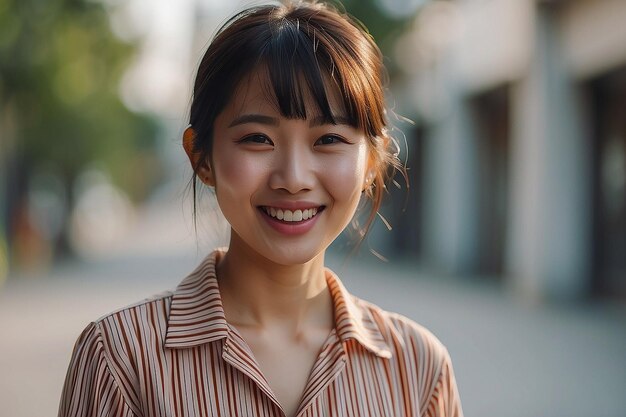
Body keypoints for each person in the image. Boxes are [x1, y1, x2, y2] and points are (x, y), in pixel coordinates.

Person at [58, 1, 463, 416]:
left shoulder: (417, 369)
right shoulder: (121, 359)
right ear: (202, 158)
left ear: (372, 163)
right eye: (257, 138)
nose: (292, 177)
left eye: (328, 140)